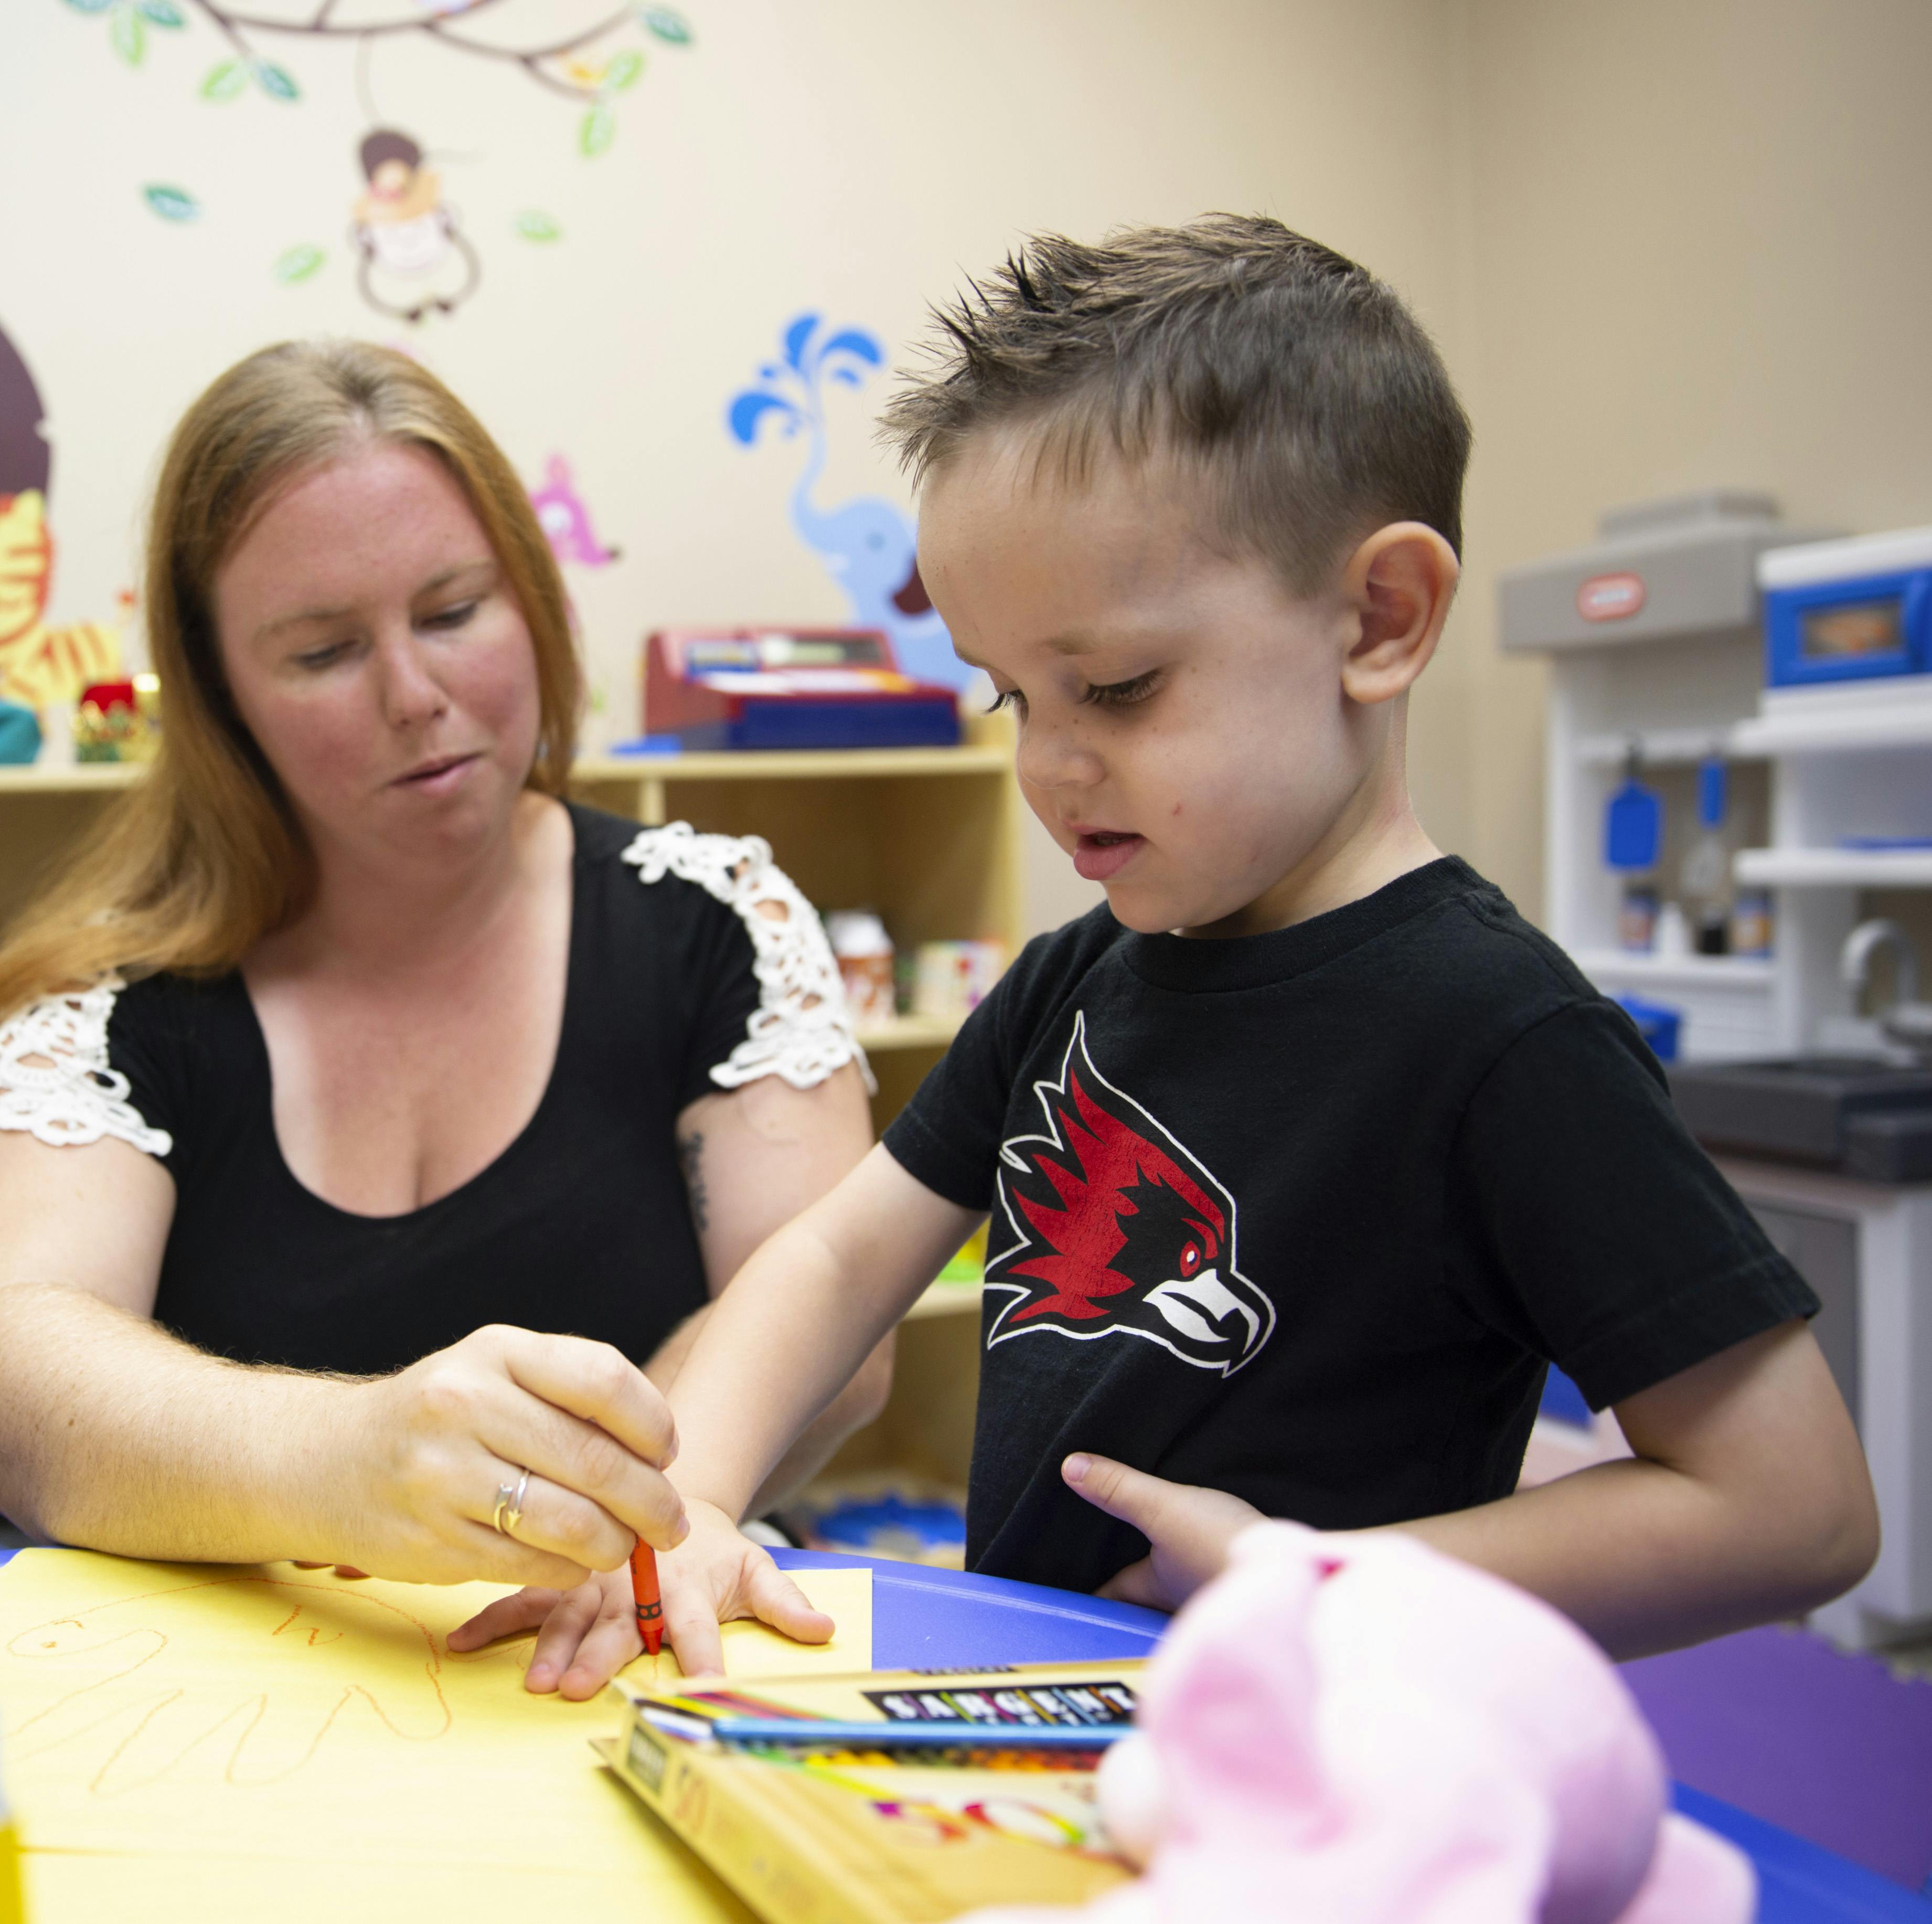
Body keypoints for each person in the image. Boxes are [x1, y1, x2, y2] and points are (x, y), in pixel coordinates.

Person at [457, 216, 1878, 1696]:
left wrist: (1315, 1585)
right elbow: (830, 1256)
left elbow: (1793, 1510)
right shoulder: (1075, 979)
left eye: (1118, 687)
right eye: (1012, 698)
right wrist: (691, 1498)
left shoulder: (1500, 1036)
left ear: (1379, 618)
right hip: (1033, 1724)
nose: (1049, 767)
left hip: (1310, 1757)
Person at [0, 340, 887, 1600]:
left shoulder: (713, 924)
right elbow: (10, 1391)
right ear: (219, 697)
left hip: (630, 1620)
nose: (414, 694)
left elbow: (831, 1337)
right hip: (259, 1681)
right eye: (321, 652)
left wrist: (605, 1530)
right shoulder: (100, 1010)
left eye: (454, 612)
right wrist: (350, 1461)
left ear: (531, 598)